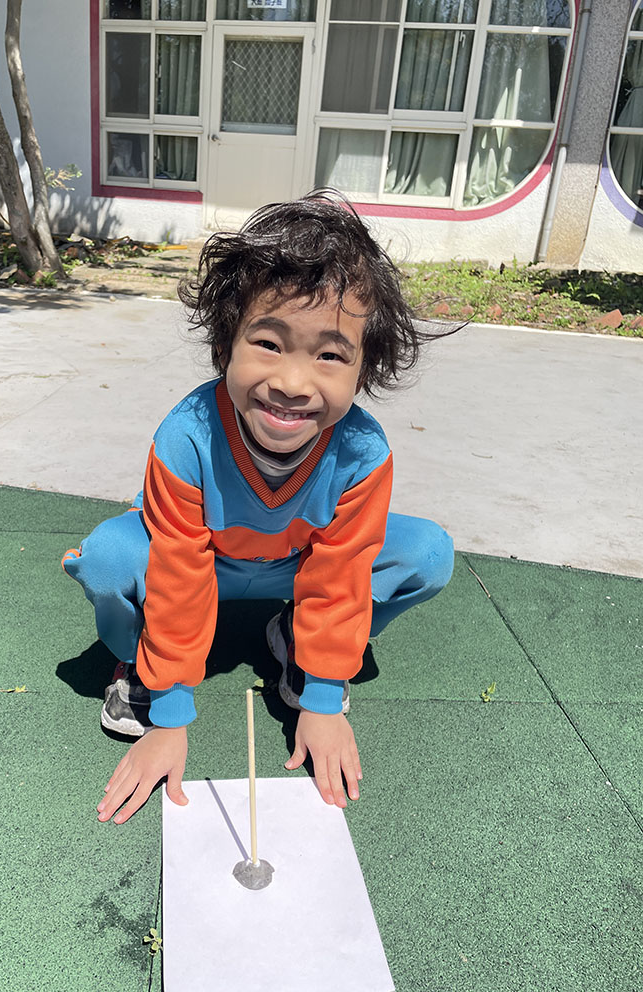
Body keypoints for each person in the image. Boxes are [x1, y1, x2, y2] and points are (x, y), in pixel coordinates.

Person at [62, 190, 454, 825]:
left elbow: (342, 571)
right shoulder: (186, 437)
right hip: (204, 564)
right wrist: (170, 718)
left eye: (330, 355)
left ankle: (295, 641)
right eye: (269, 343)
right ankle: (138, 664)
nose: (293, 383)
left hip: (295, 568)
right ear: (226, 347)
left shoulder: (364, 453)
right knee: (110, 557)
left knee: (428, 553)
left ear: (362, 371)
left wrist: (322, 699)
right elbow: (178, 571)